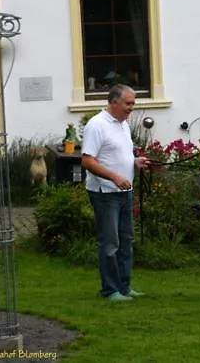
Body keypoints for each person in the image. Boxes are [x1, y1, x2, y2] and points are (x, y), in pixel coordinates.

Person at [81, 84, 150, 302]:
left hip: (125, 191)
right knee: (110, 243)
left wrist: (135, 162)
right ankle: (110, 290)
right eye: (128, 103)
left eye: (133, 103)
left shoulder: (123, 124)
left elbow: (117, 154)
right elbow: (87, 161)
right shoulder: (97, 125)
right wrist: (114, 177)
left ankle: (124, 287)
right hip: (105, 193)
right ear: (113, 102)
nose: (131, 108)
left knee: (126, 240)